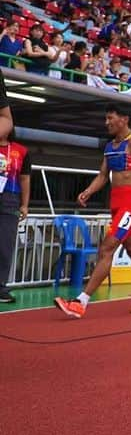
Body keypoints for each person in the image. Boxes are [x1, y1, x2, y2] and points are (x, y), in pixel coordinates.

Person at [54, 105, 131, 318]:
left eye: (110, 118)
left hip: (130, 205)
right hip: (116, 206)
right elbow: (102, 175)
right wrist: (88, 191)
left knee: (106, 248)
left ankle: (80, 302)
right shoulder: (109, 146)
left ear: (124, 119)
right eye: (106, 118)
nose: (106, 122)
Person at [0, 71, 30, 303]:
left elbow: (25, 179)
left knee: (5, 243)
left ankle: (1, 287)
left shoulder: (21, 151)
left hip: (9, 198)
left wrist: (25, 205)